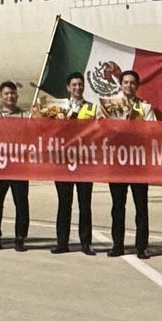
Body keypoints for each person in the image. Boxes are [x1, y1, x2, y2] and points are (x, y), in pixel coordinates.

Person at [96, 70, 159, 259]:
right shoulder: (110, 103)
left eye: (132, 83)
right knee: (118, 206)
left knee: (141, 206)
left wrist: (135, 123)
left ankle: (141, 246)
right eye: (125, 82)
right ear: (120, 84)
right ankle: (118, 244)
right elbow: (100, 127)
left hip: (138, 163)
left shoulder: (144, 107)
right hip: (117, 162)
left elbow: (153, 130)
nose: (129, 86)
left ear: (137, 86)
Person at [51, 73, 97, 255]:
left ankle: (86, 242)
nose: (78, 87)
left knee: (85, 204)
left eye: (80, 84)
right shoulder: (58, 108)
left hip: (84, 162)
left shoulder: (93, 108)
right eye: (74, 85)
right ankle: (62, 242)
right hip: (63, 162)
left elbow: (98, 131)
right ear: (68, 87)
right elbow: (48, 131)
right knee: (64, 204)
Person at [0, 81, 32, 251]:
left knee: (21, 203)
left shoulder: (26, 116)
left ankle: (20, 237)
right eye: (6, 93)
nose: (10, 96)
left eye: (12, 93)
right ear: (1, 96)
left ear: (17, 95)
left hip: (19, 166)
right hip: (0, 167)